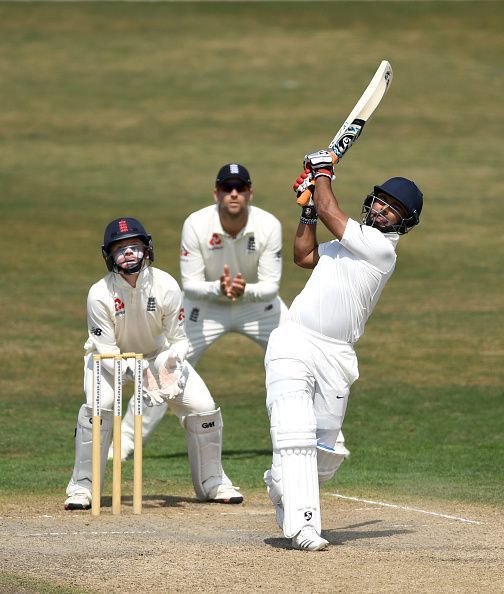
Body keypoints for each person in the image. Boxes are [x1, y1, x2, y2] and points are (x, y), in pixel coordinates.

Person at [263, 149, 423, 551]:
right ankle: (304, 527)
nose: (384, 210)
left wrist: (322, 175)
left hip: (337, 355)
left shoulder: (380, 249)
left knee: (325, 452)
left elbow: (333, 212)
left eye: (394, 209)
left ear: (405, 223)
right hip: (295, 340)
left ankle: (281, 479)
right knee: (295, 431)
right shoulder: (343, 242)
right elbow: (303, 256)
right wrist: (307, 212)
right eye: (382, 202)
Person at [116, 163, 294, 471]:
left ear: (250, 193)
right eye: (228, 188)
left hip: (259, 308)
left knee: (298, 360)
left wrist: (242, 290)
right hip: (207, 307)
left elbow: (270, 287)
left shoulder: (269, 225)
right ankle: (124, 443)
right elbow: (191, 285)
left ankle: (322, 438)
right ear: (217, 193)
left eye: (240, 188)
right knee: (166, 368)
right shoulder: (196, 223)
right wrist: (221, 288)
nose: (234, 194)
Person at [65, 217, 242, 511]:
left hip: (156, 355)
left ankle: (213, 482)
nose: (129, 254)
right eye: (120, 249)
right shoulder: (99, 294)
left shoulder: (166, 285)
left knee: (203, 407)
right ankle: (82, 487)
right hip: (108, 362)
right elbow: (107, 351)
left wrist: (173, 361)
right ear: (109, 256)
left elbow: (180, 339)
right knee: (100, 408)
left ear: (147, 249)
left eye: (134, 246)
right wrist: (142, 375)